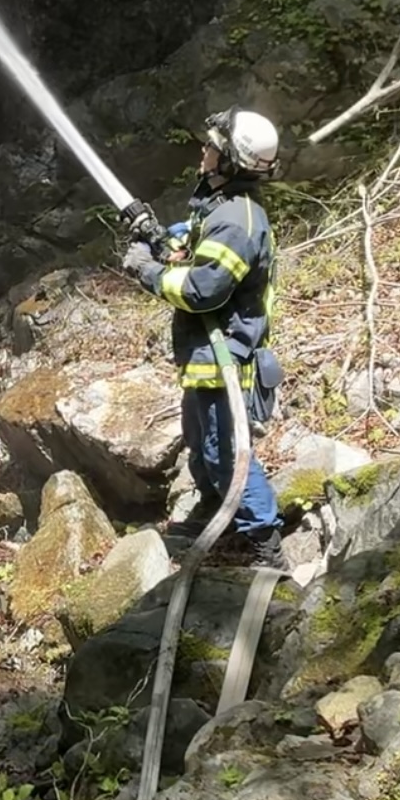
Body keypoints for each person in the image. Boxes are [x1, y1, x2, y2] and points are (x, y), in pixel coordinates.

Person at [122, 108, 284, 569]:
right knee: (200, 443)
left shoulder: (238, 221)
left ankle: (265, 543)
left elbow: (201, 289)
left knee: (227, 453)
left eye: (213, 145)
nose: (204, 149)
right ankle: (216, 512)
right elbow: (192, 248)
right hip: (205, 356)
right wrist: (157, 238)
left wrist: (147, 271)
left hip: (225, 357)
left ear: (230, 160)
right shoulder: (220, 208)